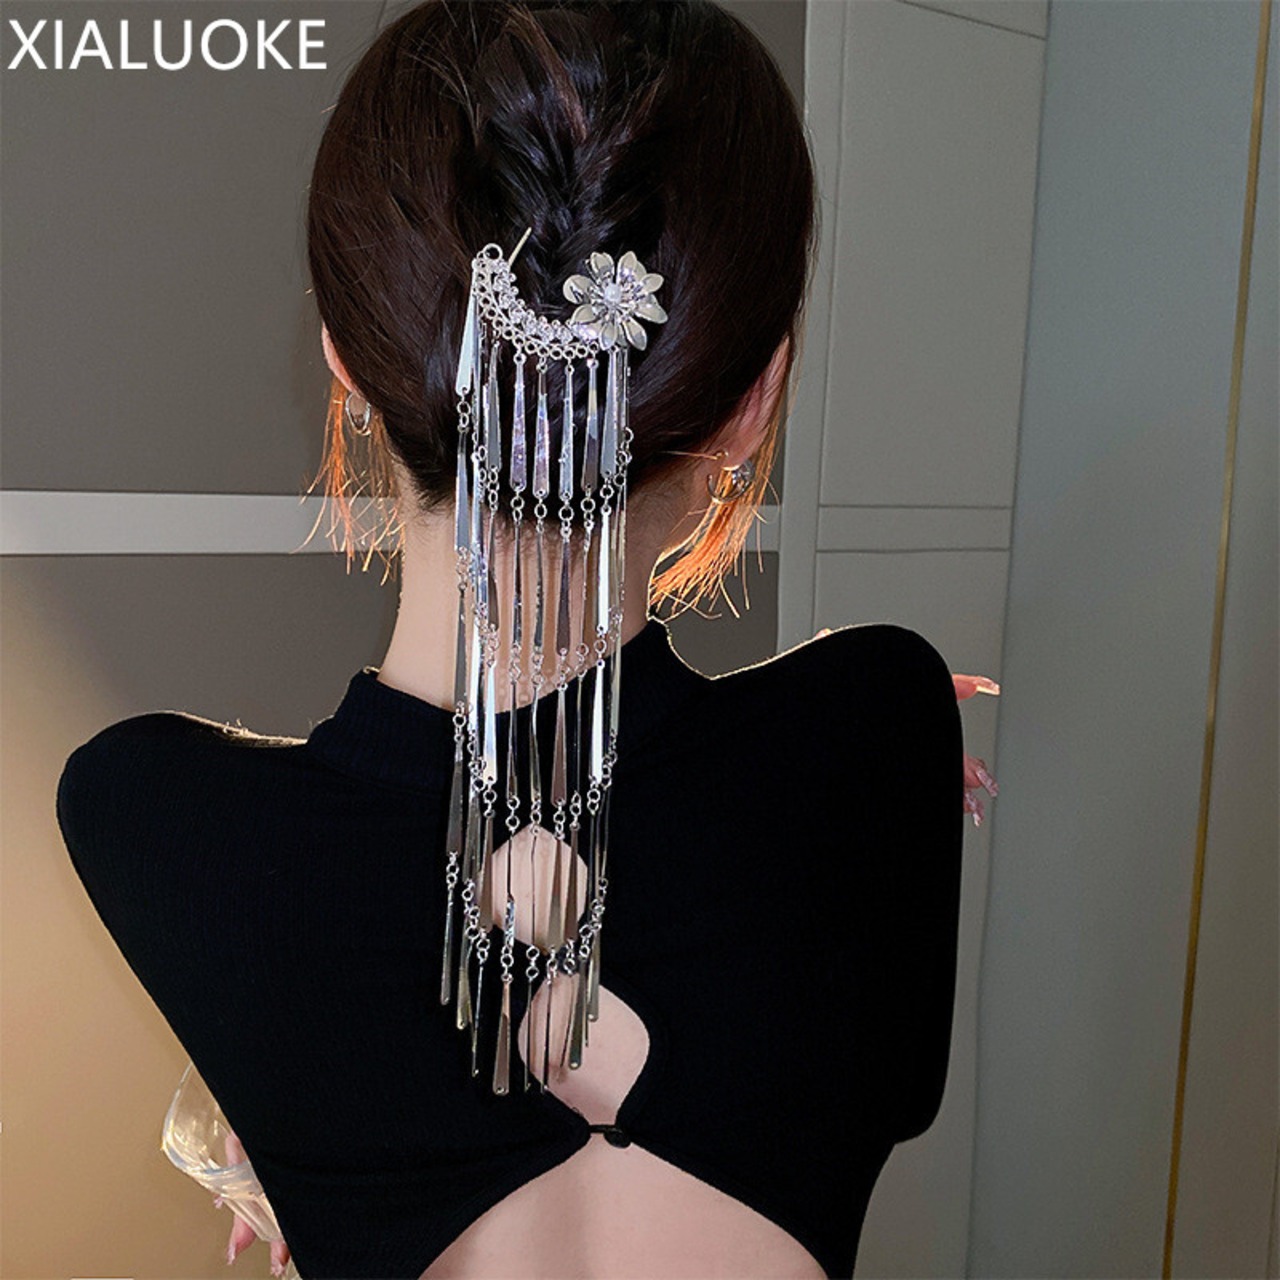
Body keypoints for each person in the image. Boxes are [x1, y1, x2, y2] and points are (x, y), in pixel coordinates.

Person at [56, 2, 999, 1277]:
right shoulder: (876, 724)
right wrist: (852, 771)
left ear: (347, 360)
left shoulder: (153, 820)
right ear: (753, 400)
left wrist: (300, 1093)